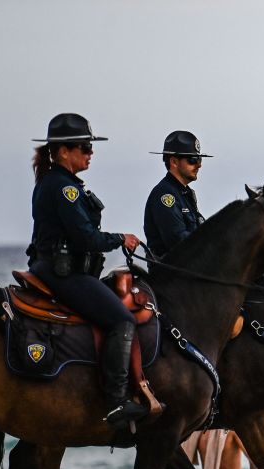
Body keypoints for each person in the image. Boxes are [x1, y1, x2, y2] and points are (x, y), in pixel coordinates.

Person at [27, 113, 146, 429]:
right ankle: (116, 401)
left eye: (90, 148)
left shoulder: (55, 182)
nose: (90, 153)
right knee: (122, 319)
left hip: (52, 267)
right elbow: (85, 238)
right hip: (63, 273)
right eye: (84, 147)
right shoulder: (64, 189)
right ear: (63, 151)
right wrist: (121, 238)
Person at [143, 130, 211, 258]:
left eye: (199, 159)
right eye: (192, 160)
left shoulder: (185, 193)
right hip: (173, 274)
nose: (199, 165)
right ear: (174, 162)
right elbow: (178, 241)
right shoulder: (164, 194)